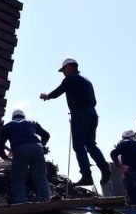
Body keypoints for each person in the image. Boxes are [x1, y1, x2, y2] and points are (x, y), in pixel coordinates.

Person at [39, 57, 112, 186]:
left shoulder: (71, 79)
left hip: (80, 114)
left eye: (63, 69)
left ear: (70, 67)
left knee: (78, 145)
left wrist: (47, 96)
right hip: (92, 113)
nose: (63, 72)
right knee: (90, 144)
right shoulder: (86, 81)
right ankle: (104, 167)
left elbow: (58, 92)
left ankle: (86, 176)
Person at [0, 109, 52, 204]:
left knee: (18, 180)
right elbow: (46, 135)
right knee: (40, 178)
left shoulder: (8, 126)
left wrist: (4, 156)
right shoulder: (32, 122)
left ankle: (21, 203)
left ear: (13, 117)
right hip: (37, 148)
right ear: (23, 116)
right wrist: (42, 146)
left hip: (20, 149)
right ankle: (47, 201)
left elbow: (0, 143)